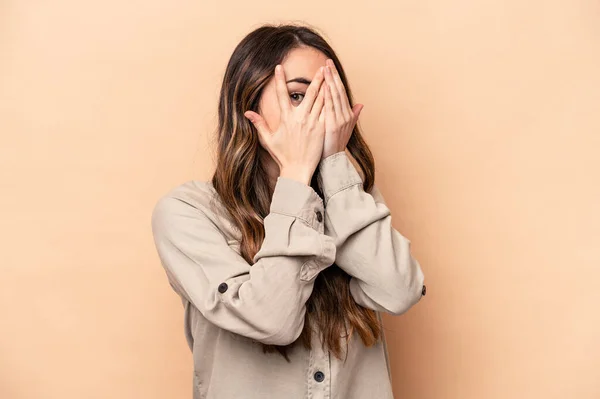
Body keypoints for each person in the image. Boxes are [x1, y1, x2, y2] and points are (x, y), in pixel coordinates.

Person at [151, 23, 426, 399]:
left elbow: (399, 290)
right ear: (247, 104)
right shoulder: (188, 213)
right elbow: (271, 320)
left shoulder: (350, 197)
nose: (316, 113)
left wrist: (334, 165)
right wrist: (295, 176)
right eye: (297, 96)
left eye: (328, 98)